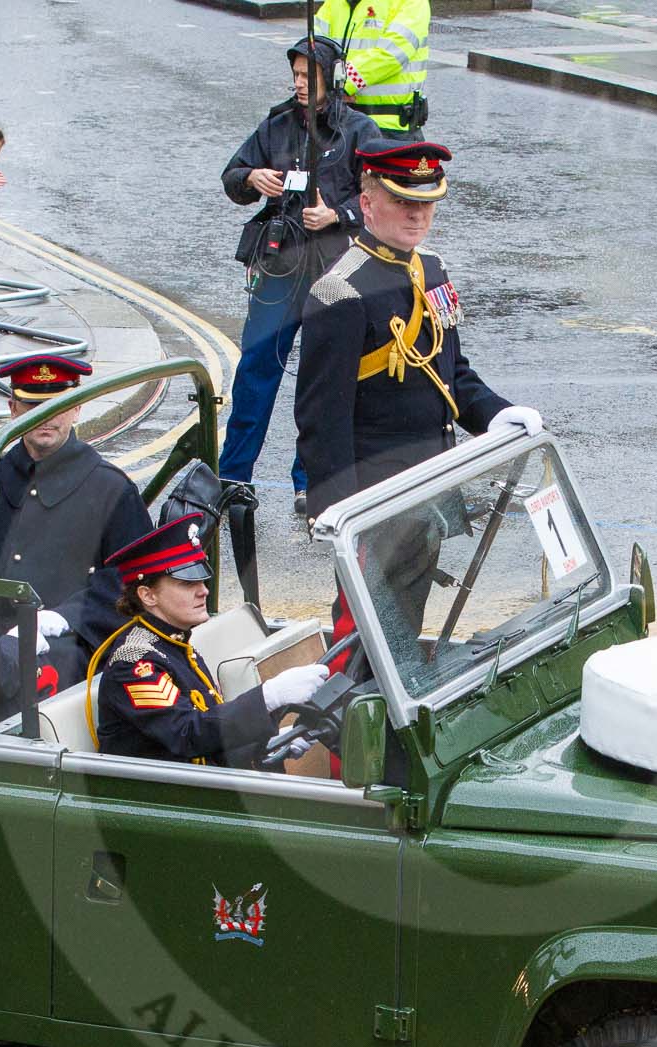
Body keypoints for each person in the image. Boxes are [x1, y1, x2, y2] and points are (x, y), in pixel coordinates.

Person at [294, 139, 539, 653]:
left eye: (426, 202)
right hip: (374, 499)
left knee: (405, 630)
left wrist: (497, 415)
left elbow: (452, 373)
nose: (417, 214)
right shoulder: (340, 292)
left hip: (429, 484)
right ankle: (352, 729)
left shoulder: (432, 269)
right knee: (363, 639)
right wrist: (340, 515)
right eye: (403, 201)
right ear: (367, 203)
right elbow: (322, 420)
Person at [0, 354, 151, 718]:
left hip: (68, 654)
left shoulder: (109, 488)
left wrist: (63, 618)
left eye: (56, 405)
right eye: (32, 405)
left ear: (77, 408)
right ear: (13, 408)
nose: (45, 416)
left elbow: (134, 581)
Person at [219, 35, 377, 519]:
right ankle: (233, 478)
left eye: (310, 75)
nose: (300, 83)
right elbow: (232, 176)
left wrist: (339, 216)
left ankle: (310, 483)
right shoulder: (278, 124)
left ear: (333, 76)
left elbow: (382, 197)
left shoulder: (359, 130)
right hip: (280, 265)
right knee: (256, 370)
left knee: (323, 379)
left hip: (335, 269)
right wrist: (253, 179)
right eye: (296, 74)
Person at [91, 514, 327, 766]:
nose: (203, 590)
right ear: (148, 595)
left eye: (202, 580)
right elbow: (186, 733)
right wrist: (268, 696)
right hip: (165, 797)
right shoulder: (135, 663)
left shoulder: (174, 644)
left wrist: (266, 746)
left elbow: (207, 731)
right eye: (186, 583)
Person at [315, 0, 430, 135]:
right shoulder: (334, 3)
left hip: (390, 126)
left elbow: (393, 52)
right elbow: (315, 46)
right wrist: (327, 82)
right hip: (339, 120)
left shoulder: (411, 3)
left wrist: (341, 83)